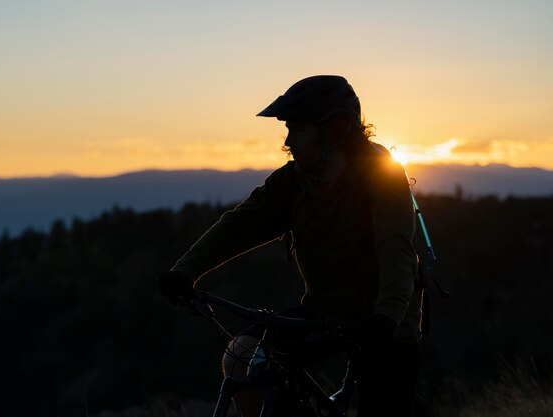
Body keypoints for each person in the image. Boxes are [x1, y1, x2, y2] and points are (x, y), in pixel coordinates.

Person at [158, 75, 424, 417]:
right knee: (242, 356)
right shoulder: (294, 181)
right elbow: (240, 225)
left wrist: (387, 316)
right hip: (321, 314)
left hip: (386, 323)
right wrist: (185, 271)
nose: (288, 141)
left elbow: (397, 251)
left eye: (297, 130)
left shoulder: (382, 179)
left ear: (334, 131)